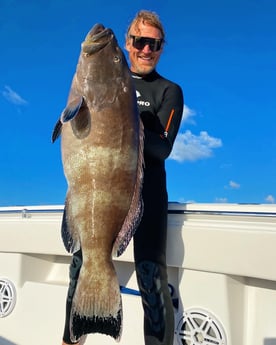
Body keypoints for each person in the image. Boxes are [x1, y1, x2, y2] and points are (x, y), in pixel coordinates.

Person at [61, 10, 183, 345]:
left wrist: (125, 120)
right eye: (140, 41)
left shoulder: (168, 91)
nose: (146, 49)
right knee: (79, 269)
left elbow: (162, 149)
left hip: (146, 197)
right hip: (90, 193)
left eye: (154, 44)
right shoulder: (112, 79)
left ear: (161, 48)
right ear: (129, 44)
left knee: (151, 279)